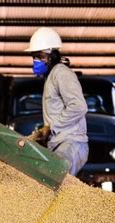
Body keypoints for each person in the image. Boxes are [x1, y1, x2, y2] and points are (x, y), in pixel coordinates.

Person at [25, 27, 89, 176]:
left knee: (53, 177)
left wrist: (51, 127)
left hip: (71, 143)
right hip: (59, 144)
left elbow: (79, 106)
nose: (35, 61)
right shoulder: (51, 77)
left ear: (52, 56)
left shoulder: (62, 73)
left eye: (40, 56)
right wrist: (43, 133)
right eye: (34, 56)